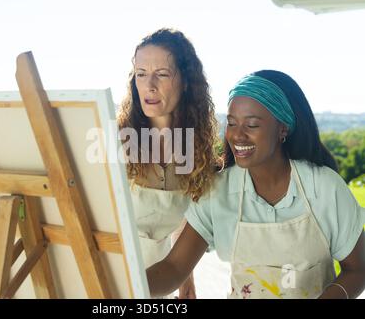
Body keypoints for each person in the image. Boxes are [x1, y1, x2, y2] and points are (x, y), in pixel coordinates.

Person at [146, 70, 365, 299]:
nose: (237, 136)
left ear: (283, 129)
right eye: (231, 123)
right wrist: (121, 289)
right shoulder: (218, 192)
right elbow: (174, 268)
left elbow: (358, 269)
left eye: (251, 125)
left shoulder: (324, 188)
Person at [117, 28, 222, 298]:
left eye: (162, 74)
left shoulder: (197, 155)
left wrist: (185, 279)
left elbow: (186, 223)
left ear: (186, 81)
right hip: (103, 283)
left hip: (155, 285)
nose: (149, 85)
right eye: (141, 74)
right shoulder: (116, 143)